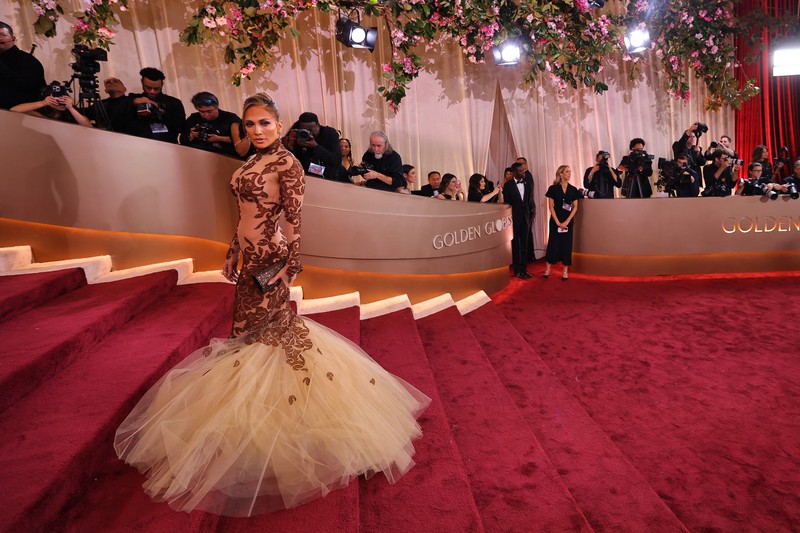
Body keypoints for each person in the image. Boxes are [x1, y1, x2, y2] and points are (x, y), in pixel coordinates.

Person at [114, 92, 430, 517]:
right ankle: (252, 426)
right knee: (252, 338)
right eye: (250, 124)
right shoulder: (248, 163)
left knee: (265, 338)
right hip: (249, 260)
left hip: (272, 261)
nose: (257, 131)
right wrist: (231, 250)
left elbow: (296, 220)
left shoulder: (288, 164)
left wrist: (290, 269)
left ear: (279, 125)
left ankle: (281, 432)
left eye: (265, 123)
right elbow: (243, 213)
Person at [124, 67, 186, 143]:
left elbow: (181, 128)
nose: (152, 91)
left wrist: (162, 113)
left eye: (156, 89)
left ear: (162, 85)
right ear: (142, 82)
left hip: (167, 145)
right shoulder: (133, 99)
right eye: (148, 88)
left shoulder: (174, 102)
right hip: (140, 145)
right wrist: (134, 101)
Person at [544, 165, 580, 281]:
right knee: (553, 244)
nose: (570, 174)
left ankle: (565, 271)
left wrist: (567, 221)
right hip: (555, 220)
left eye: (570, 172)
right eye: (567, 172)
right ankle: (548, 269)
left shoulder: (573, 190)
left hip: (568, 221)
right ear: (561, 174)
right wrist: (558, 222)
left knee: (566, 245)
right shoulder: (553, 189)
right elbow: (551, 207)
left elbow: (575, 207)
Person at [283, 112, 342, 181]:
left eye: (311, 130)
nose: (308, 133)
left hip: (327, 178)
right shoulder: (297, 136)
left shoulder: (329, 133)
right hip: (301, 178)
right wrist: (289, 147)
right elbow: (290, 164)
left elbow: (336, 160)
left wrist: (316, 147)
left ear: (318, 125)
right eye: (304, 130)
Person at [0, 21, 46, 110]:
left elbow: (27, 87)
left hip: (22, 114)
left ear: (13, 38)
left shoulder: (28, 61)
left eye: (3, 35)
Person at [180, 92, 240, 158]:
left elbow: (244, 140)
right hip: (198, 156)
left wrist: (220, 139)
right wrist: (191, 136)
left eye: (209, 111)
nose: (206, 115)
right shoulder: (193, 118)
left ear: (217, 107)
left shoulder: (230, 118)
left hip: (226, 156)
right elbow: (182, 140)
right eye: (202, 112)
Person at [503, 162, 535, 279]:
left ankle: (524, 268)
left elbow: (529, 201)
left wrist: (531, 215)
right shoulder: (508, 185)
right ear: (515, 172)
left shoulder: (527, 183)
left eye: (523, 170)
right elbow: (507, 204)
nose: (523, 172)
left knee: (525, 244)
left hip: (526, 218)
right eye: (521, 171)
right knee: (515, 244)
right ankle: (517, 270)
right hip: (514, 219)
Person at [10, 83, 92, 128]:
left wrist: (71, 108)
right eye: (56, 98)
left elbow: (89, 126)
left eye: (62, 98)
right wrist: (43, 103)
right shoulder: (42, 113)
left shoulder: (71, 112)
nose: (59, 101)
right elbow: (13, 110)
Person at [671, 124, 706, 196]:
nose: (692, 138)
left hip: (695, 178)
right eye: (690, 137)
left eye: (693, 137)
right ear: (686, 137)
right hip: (683, 177)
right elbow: (680, 145)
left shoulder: (696, 148)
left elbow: (702, 162)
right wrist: (690, 130)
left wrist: (699, 153)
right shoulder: (678, 146)